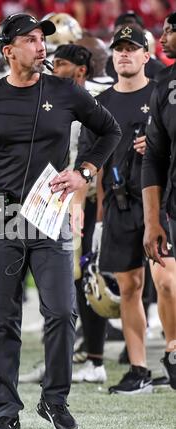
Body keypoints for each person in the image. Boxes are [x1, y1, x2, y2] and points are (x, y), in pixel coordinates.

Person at [0, 13, 121, 429]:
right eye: (29, 39)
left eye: (41, 39)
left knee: (62, 313)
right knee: (3, 320)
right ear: (8, 50)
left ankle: (54, 400)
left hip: (50, 212)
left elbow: (110, 131)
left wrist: (84, 171)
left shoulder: (65, 91)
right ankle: (6, 414)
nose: (40, 45)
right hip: (2, 214)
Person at [79, 25, 163, 394]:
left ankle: (172, 354)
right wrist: (97, 220)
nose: (124, 54)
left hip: (162, 201)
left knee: (167, 282)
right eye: (119, 49)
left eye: (133, 49)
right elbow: (92, 165)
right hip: (118, 203)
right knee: (129, 286)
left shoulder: (164, 95)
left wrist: (160, 147)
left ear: (147, 56)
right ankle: (139, 367)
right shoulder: (101, 105)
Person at [142, 11, 176, 390]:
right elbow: (153, 156)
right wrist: (153, 220)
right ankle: (173, 349)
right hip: (174, 204)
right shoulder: (164, 82)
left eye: (169, 30)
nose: (162, 37)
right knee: (167, 282)